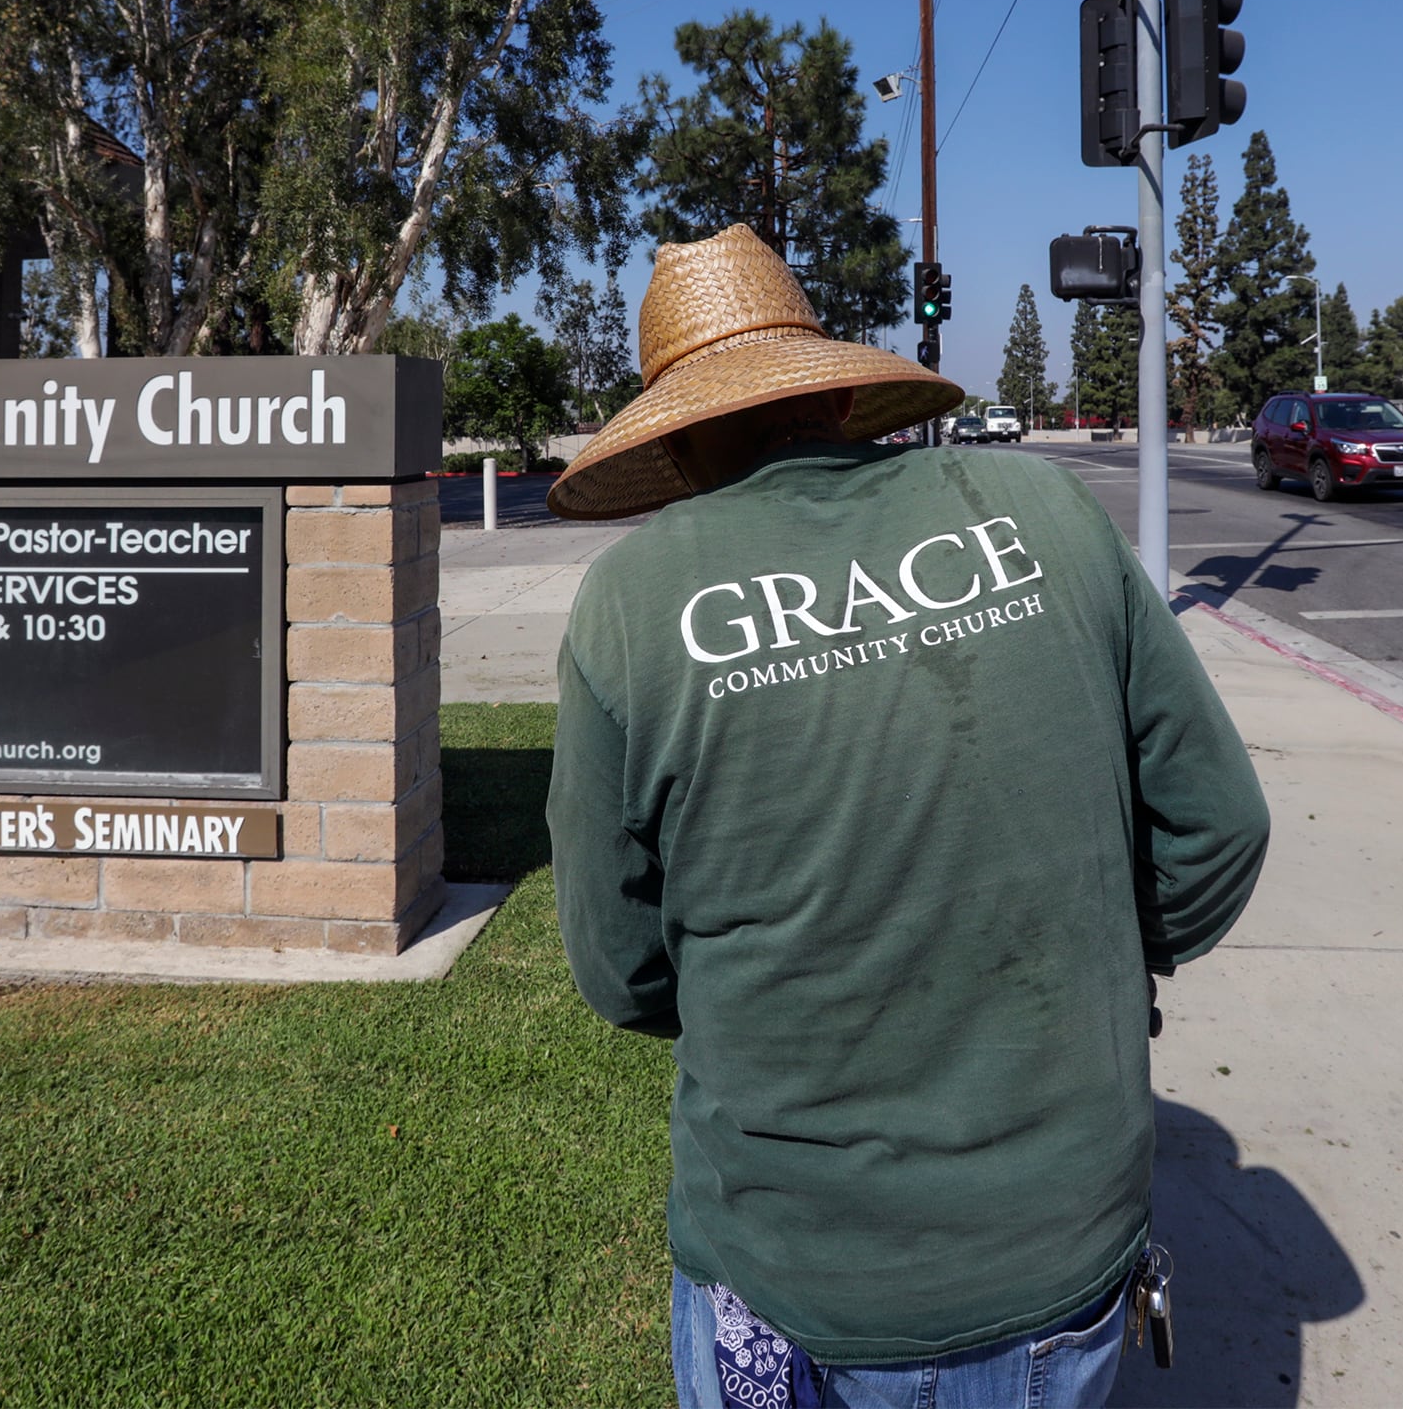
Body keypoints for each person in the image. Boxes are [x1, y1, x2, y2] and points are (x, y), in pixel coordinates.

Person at [544, 224, 1271, 1408]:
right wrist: (1103, 953)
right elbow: (1220, 827)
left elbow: (620, 970)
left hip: (788, 1271)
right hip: (1056, 1248)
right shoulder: (1043, 508)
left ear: (672, 441)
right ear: (838, 396)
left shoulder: (631, 604)